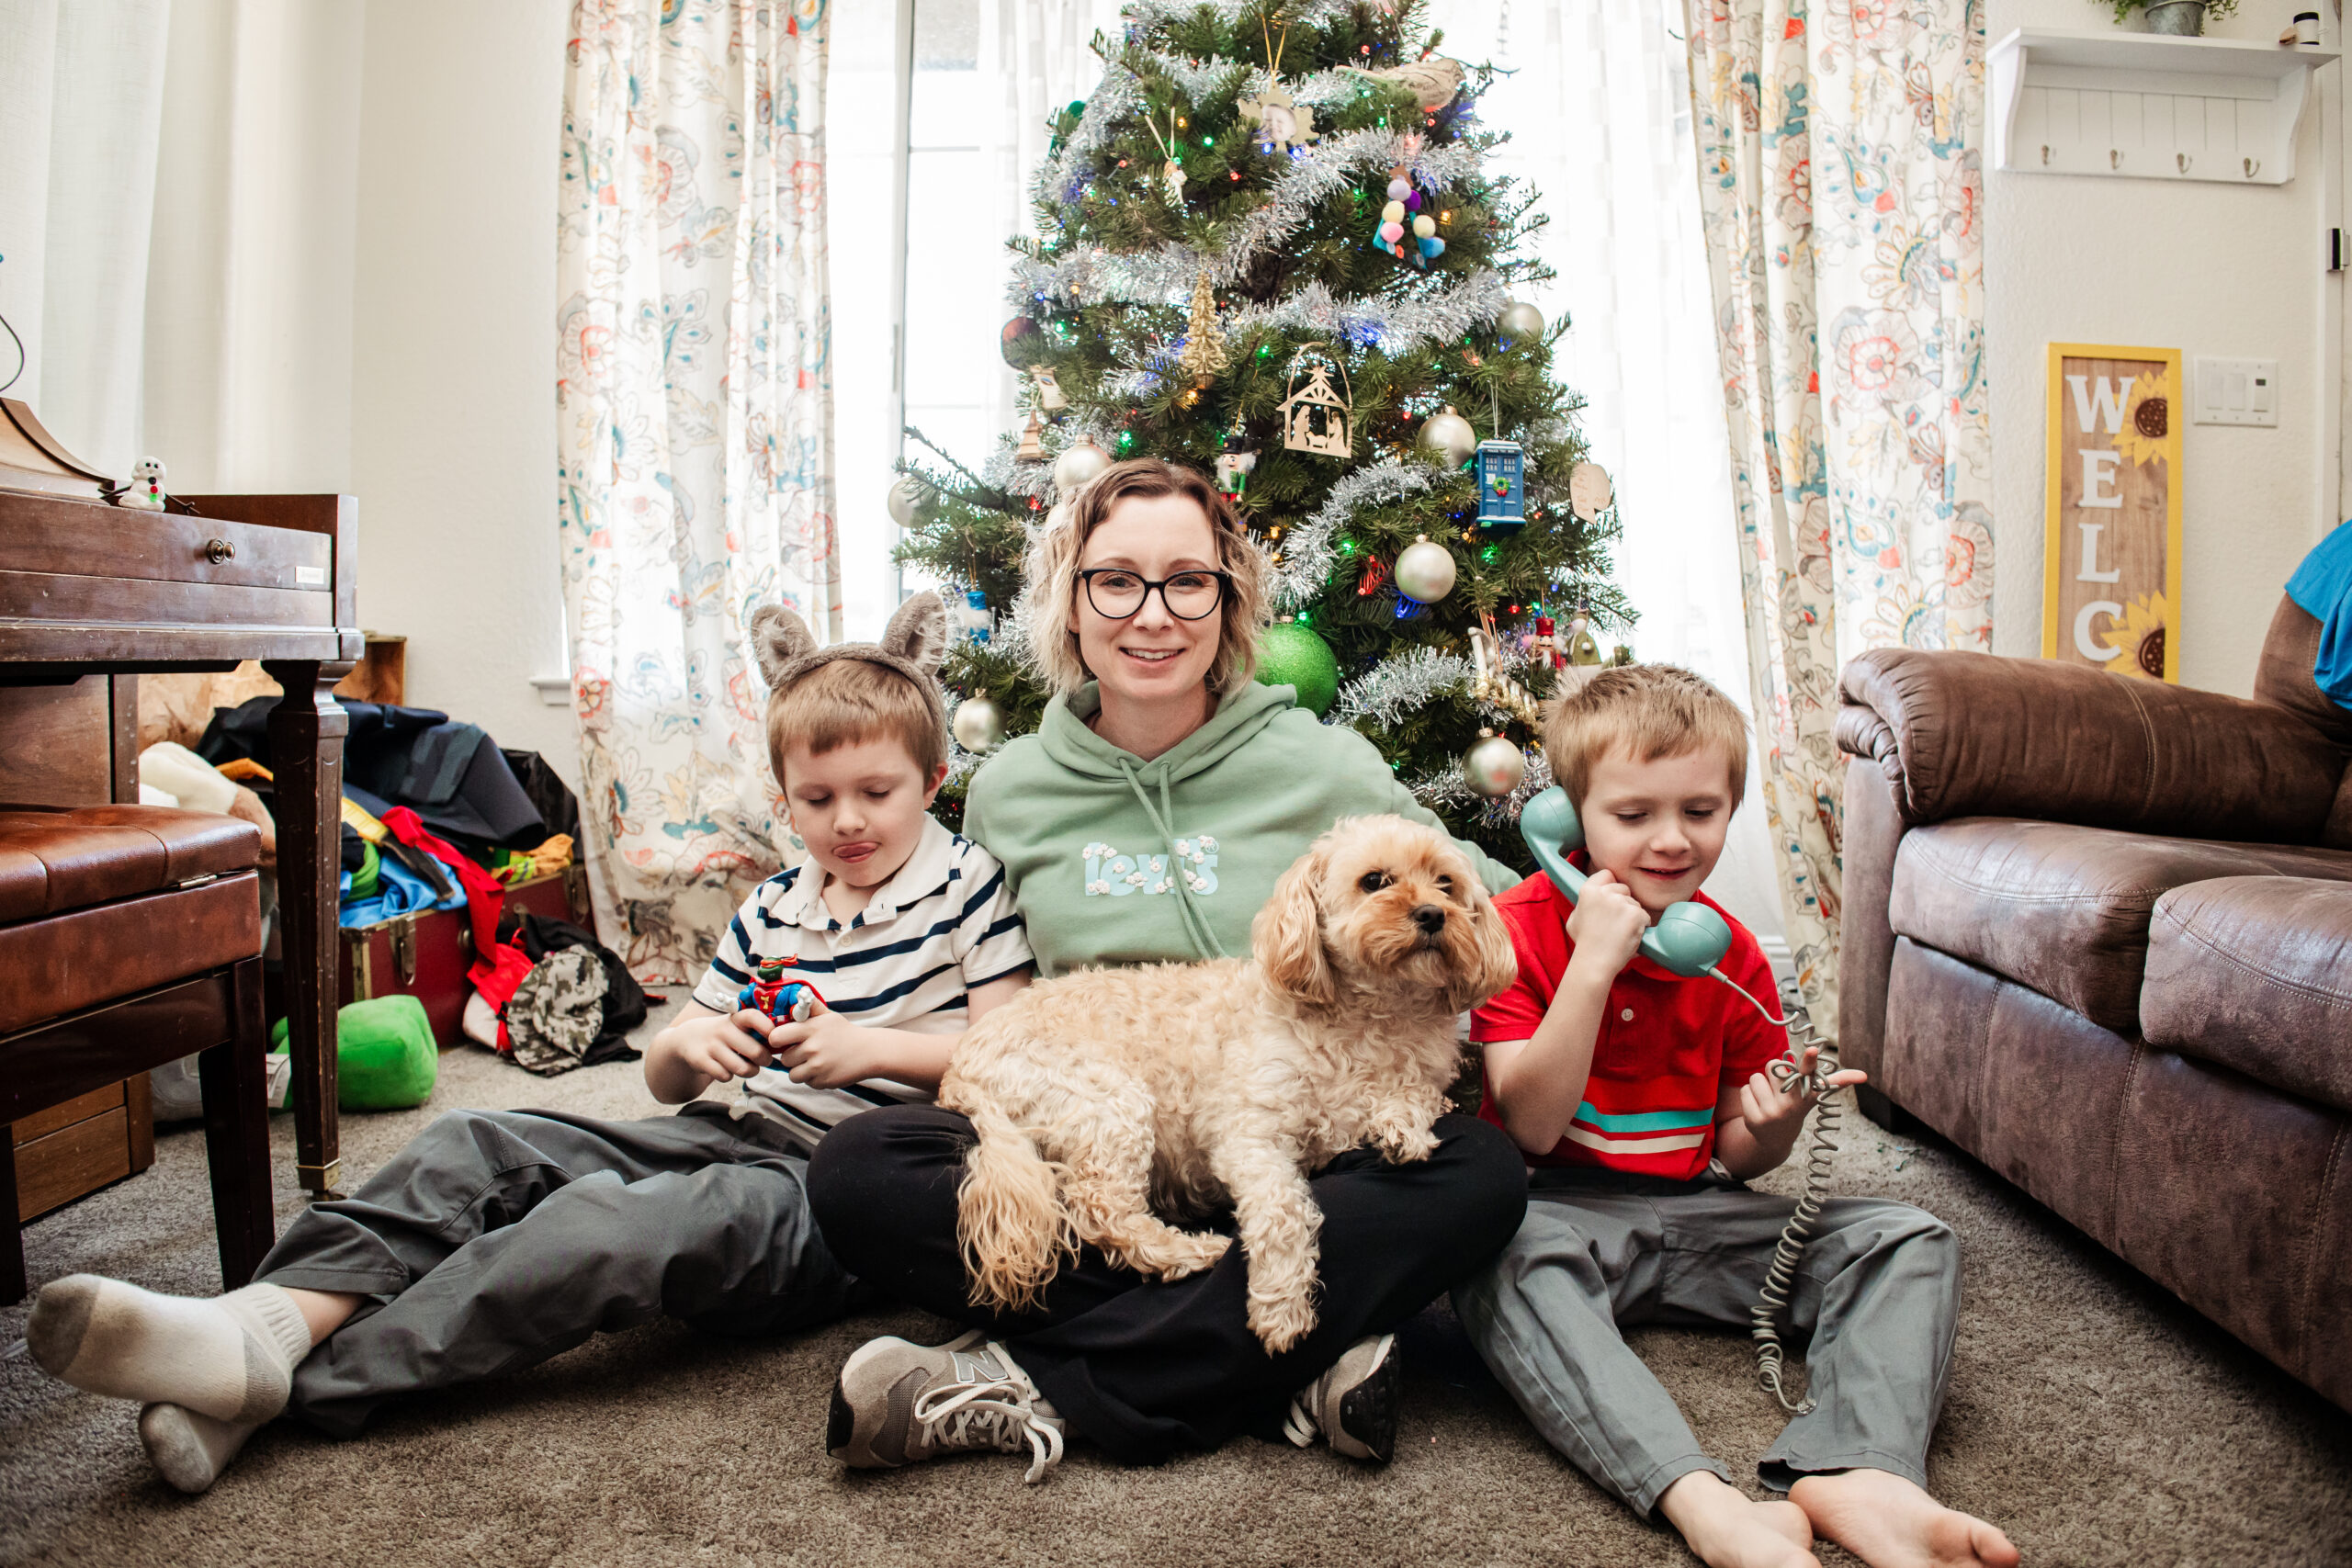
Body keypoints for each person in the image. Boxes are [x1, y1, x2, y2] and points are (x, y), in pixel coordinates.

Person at [26, 593, 1035, 1494]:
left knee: (605, 1225)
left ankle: (285, 1384)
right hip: (738, 1128)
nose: (847, 822)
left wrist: (869, 1051)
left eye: (876, 794)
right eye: (816, 802)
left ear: (932, 778)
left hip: (845, 1195)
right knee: (475, 1142)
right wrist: (702, 1047)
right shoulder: (775, 902)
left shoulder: (966, 886)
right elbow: (663, 1067)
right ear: (783, 795)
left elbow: (1014, 1050)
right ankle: (262, 1321)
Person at [812, 457, 1531, 1481]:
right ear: (1070, 599)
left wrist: (1613, 901)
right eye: (1116, 580)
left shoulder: (1324, 764)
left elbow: (1476, 904)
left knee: (1476, 1174)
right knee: (859, 1169)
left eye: (1187, 581)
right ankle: (1281, 1359)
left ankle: (1029, 1380)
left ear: (1230, 600)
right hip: (1096, 1140)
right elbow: (935, 943)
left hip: (1306, 1132)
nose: (1152, 615)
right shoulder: (1012, 787)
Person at [1453, 665, 2018, 1568]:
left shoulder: (1727, 952)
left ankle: (1859, 1473)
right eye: (1633, 816)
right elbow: (1528, 1126)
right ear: (1565, 819)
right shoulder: (1513, 930)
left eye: (1700, 812)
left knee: (1906, 1237)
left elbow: (1737, 1156)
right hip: (1553, 1215)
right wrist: (1592, 962)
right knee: (1493, 1259)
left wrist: (1777, 1119)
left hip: (1690, 1215)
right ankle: (1703, 1500)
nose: (1671, 841)